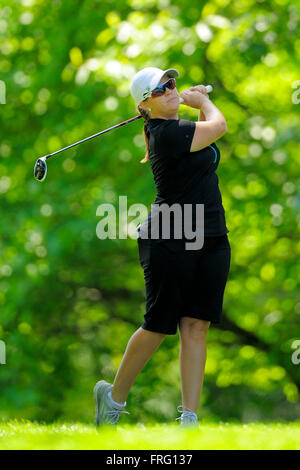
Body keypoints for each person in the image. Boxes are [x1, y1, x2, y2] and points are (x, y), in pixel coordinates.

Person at [94, 67, 231, 427]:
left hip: (212, 237)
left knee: (197, 324)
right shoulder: (164, 133)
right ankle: (113, 398)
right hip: (169, 238)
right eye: (161, 89)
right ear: (146, 105)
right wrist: (205, 102)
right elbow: (218, 127)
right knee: (158, 325)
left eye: (171, 84)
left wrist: (199, 107)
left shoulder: (181, 130)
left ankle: (189, 417)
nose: (171, 89)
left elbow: (205, 138)